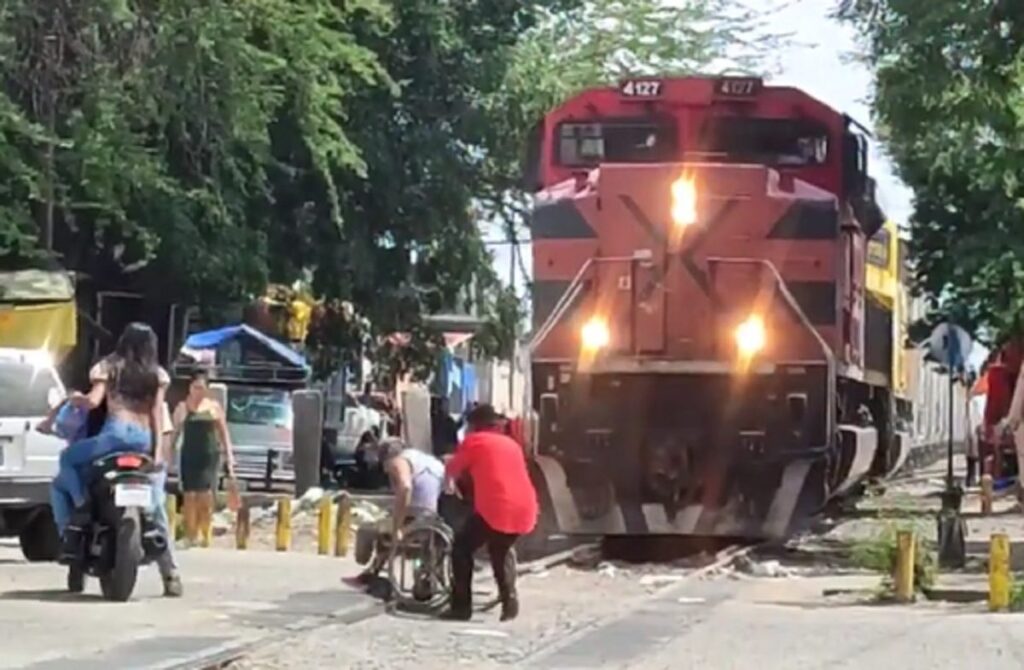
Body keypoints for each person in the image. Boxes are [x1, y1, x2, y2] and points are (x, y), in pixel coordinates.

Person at [44, 322, 183, 596]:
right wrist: (155, 454)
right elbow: (156, 413)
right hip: (144, 440)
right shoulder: (156, 374)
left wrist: (75, 399)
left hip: (114, 436)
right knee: (155, 507)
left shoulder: (108, 366)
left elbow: (93, 402)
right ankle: (170, 572)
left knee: (68, 460)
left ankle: (82, 507)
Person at [442, 404, 538, 622]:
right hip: (525, 506)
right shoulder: (511, 444)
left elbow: (453, 470)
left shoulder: (474, 441)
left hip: (497, 507)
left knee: (461, 549)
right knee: (499, 550)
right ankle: (509, 603)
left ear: (474, 426)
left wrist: (449, 467)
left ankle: (461, 607)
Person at [354, 437, 445, 584]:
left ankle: (367, 566)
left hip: (416, 519)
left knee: (368, 529)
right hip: (435, 519)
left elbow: (405, 487)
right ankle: (373, 571)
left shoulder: (398, 461)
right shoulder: (431, 461)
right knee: (388, 525)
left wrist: (398, 524)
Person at [169, 369, 237, 545]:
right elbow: (175, 434)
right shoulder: (182, 407)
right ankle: (190, 534)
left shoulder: (214, 407)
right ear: (190, 388)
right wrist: (167, 454)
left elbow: (224, 434)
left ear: (206, 389)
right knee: (189, 495)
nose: (197, 391)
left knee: (205, 496)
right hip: (189, 454)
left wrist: (229, 456)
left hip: (208, 456)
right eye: (195, 387)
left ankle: (203, 530)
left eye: (201, 388)